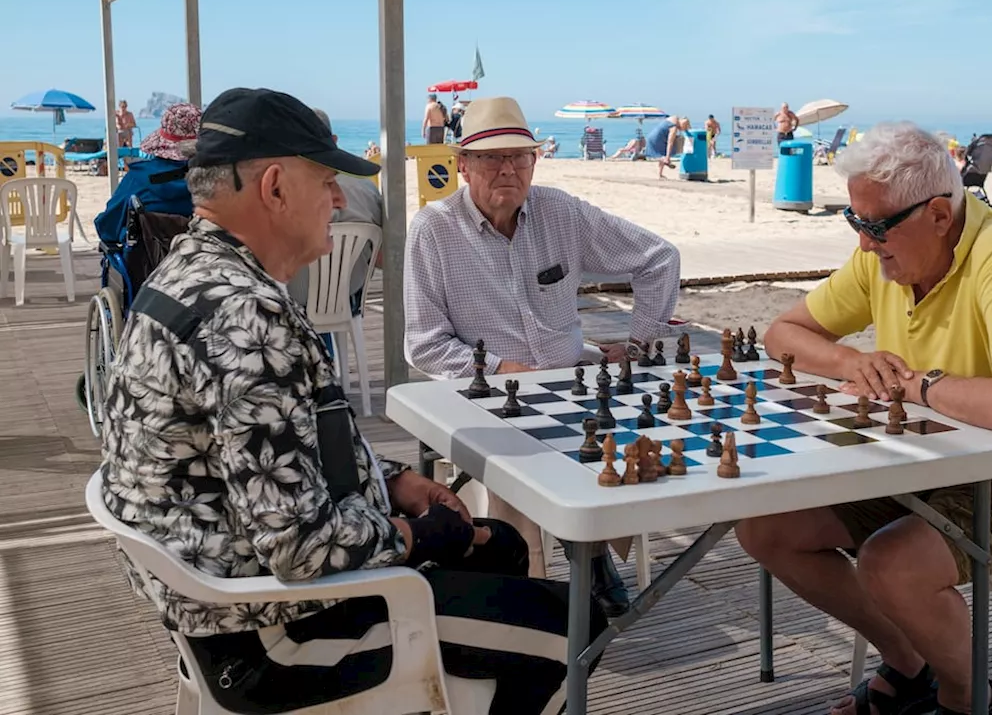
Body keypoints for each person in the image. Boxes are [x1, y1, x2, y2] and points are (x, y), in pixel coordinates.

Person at [99, 87, 605, 715]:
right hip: (270, 633)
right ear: (276, 187)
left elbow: (278, 452)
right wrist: (414, 535)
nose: (339, 201)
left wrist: (391, 483)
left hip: (223, 583)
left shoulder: (188, 272)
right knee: (574, 627)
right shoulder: (244, 319)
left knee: (499, 544)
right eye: (329, 181)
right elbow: (301, 549)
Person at [734, 122, 992, 715]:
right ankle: (910, 668)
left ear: (938, 214)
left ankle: (965, 697)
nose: (863, 243)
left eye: (876, 226)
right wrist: (853, 359)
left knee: (894, 564)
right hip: (927, 457)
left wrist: (919, 384)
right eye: (854, 222)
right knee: (765, 527)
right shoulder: (881, 256)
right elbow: (785, 334)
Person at [404, 96, 681, 615]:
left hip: (570, 376)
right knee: (519, 469)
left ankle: (593, 549)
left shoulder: (561, 211)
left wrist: (641, 343)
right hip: (486, 393)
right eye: (490, 158)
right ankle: (535, 590)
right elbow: (423, 343)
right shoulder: (433, 230)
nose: (506, 168)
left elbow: (659, 258)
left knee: (640, 433)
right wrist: (501, 369)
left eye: (519, 156)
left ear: (535, 161)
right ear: (462, 165)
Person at [287, 107, 384, 314]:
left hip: (294, 300)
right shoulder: (367, 189)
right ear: (334, 139)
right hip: (346, 299)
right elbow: (384, 258)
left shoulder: (287, 195)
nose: (338, 199)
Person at [94, 101, 199, 246]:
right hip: (203, 262)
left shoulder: (137, 179)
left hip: (146, 265)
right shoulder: (217, 183)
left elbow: (108, 228)